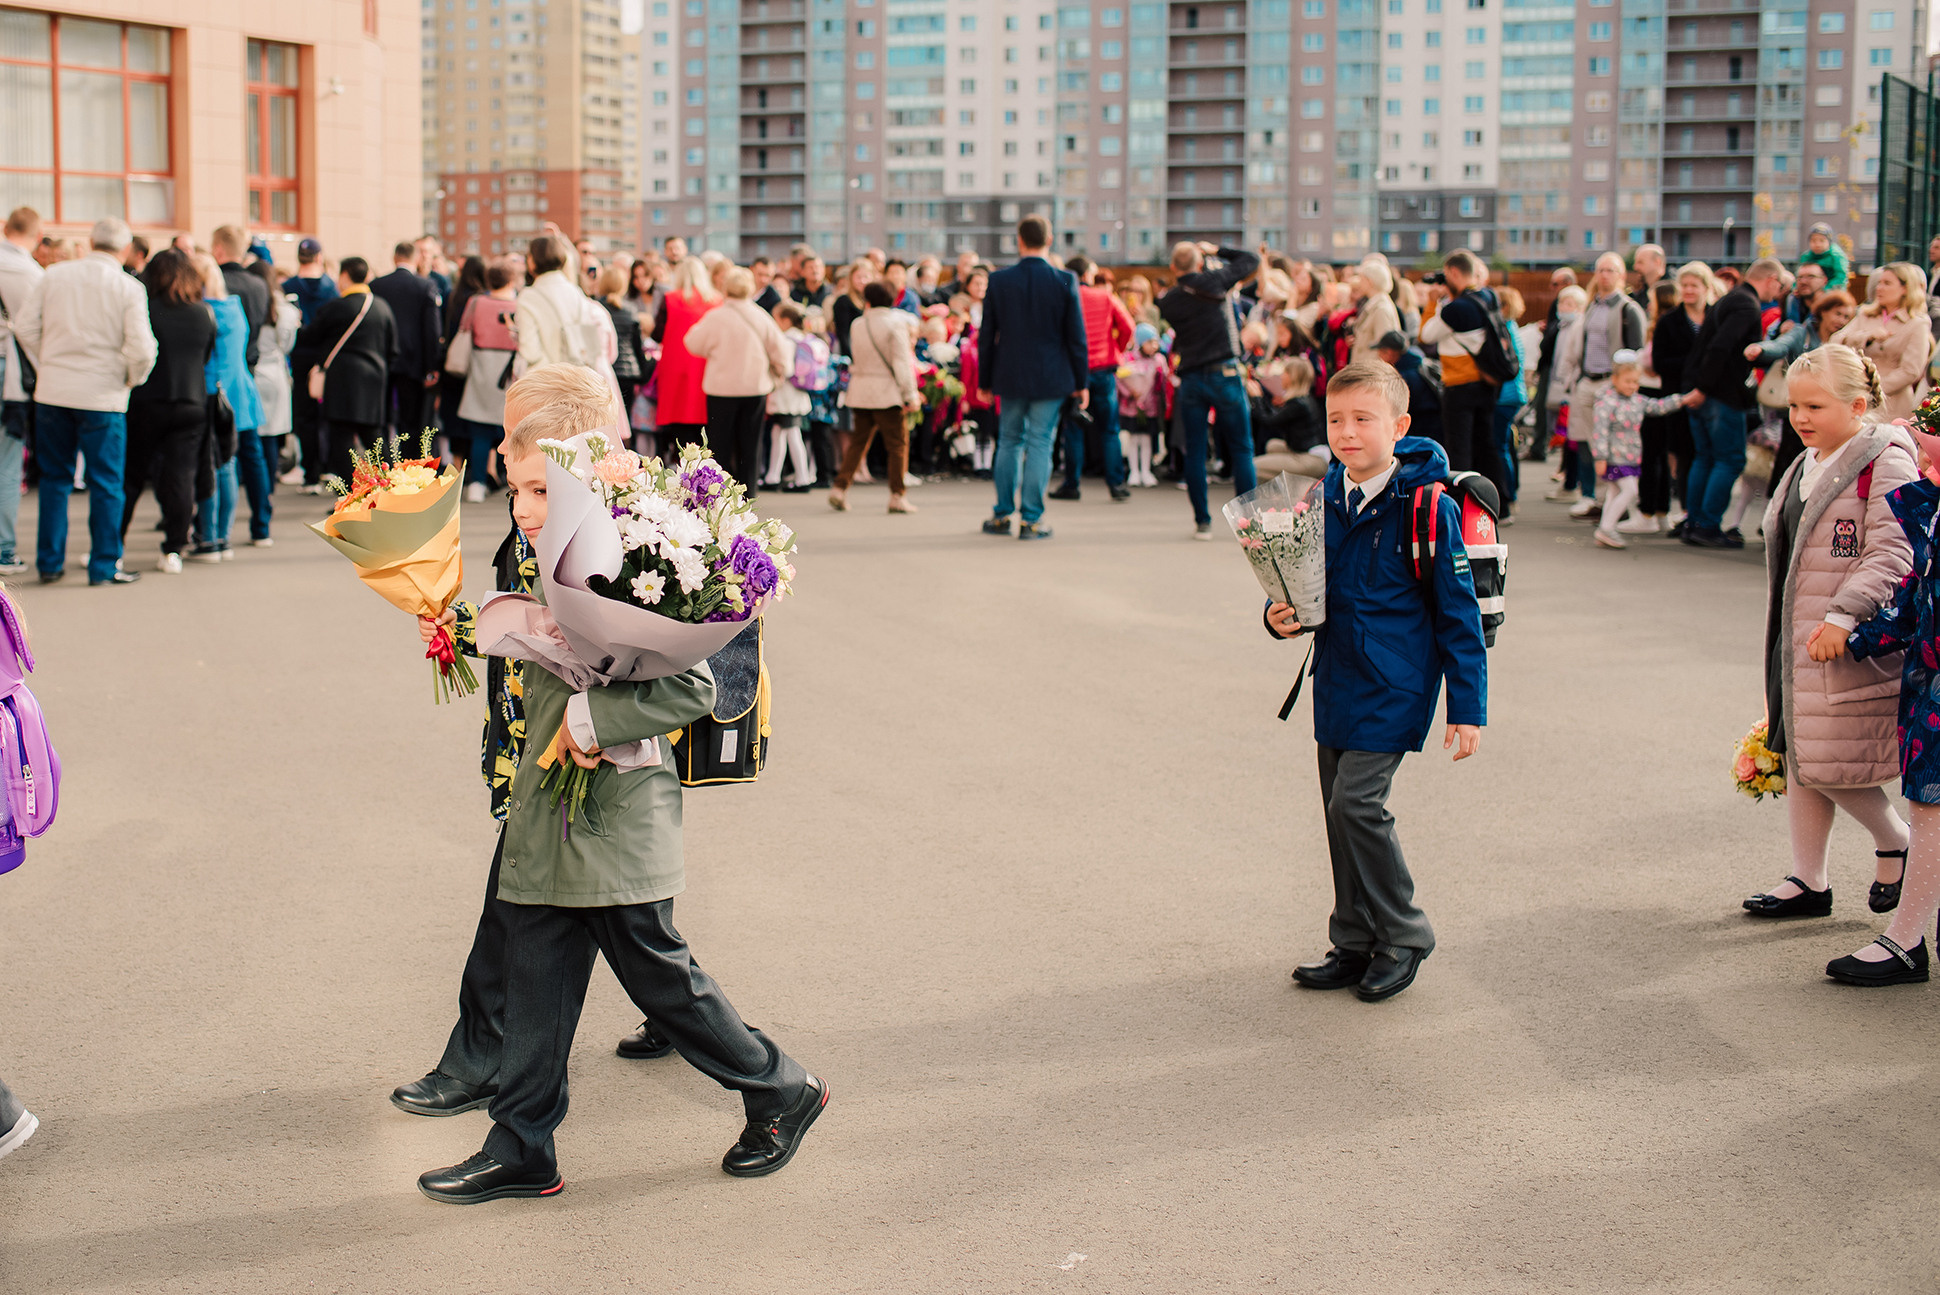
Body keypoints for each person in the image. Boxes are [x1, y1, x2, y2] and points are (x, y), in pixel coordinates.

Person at [413, 365, 825, 1203]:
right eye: (513, 481)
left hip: (613, 807)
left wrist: (592, 724)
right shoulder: (550, 540)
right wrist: (466, 628)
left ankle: (778, 1087)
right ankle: (522, 1142)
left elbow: (698, 680)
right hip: (550, 796)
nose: (520, 502)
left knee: (660, 978)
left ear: (582, 463)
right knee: (534, 967)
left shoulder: (644, 544)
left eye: (535, 484)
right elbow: (544, 643)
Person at [394, 369, 680, 1126]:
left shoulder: (596, 523)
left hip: (576, 750)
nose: (501, 442)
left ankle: (484, 1064)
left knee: (541, 917)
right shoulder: (541, 506)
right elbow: (528, 630)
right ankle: (521, 1083)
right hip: (540, 744)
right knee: (599, 923)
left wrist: (581, 725)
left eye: (516, 425)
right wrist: (456, 631)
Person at [1266, 361, 1488, 1003]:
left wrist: (1466, 708)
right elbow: (1302, 592)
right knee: (1337, 816)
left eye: (1364, 419)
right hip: (1335, 679)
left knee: (1356, 804)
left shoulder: (1427, 507)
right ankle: (1354, 940)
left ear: (1400, 426)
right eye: (1337, 419)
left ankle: (1404, 933)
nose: (1347, 432)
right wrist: (1278, 618)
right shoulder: (1321, 499)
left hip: (1398, 684)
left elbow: (1459, 613)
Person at [1736, 346, 1916, 943]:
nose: (1800, 417)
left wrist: (1843, 615)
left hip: (1844, 639)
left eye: (1815, 405)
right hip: (1798, 637)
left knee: (1831, 759)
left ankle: (1896, 840)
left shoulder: (1884, 458)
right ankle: (1809, 879)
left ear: (1859, 405)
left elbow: (1892, 549)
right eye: (1793, 405)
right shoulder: (1808, 460)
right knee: (1800, 755)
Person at [13, 218, 156, 587]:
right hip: (104, 395)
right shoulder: (128, 287)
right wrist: (130, 378)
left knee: (55, 480)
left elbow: (25, 327)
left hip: (54, 391)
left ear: (91, 241)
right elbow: (142, 349)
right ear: (125, 249)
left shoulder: (54, 276)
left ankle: (49, 563)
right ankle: (104, 566)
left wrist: (45, 364)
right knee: (106, 483)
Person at [977, 216, 1089, 542]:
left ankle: (1001, 515)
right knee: (1041, 442)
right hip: (1052, 375)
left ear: (1019, 240)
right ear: (1049, 239)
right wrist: (1081, 383)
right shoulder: (1064, 279)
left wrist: (984, 381)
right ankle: (1031, 520)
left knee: (1009, 441)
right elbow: (1076, 338)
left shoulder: (998, 281)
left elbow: (987, 336)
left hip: (1009, 374)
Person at [1158, 239, 1261, 540]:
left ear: (1174, 267)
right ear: (1200, 262)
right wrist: (1217, 250)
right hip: (1225, 372)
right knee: (1242, 447)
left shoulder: (1168, 301)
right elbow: (1251, 260)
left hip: (1191, 377)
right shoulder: (1216, 280)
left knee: (1195, 451)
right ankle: (1248, 522)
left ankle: (1202, 521)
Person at [121, 249, 214, 574]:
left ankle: (113, 545)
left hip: (147, 401)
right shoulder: (202, 313)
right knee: (181, 477)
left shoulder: (146, 308)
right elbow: (205, 356)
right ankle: (173, 548)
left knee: (131, 476)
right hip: (191, 401)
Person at [1684, 257, 1786, 548]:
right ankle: (1706, 524)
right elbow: (1721, 347)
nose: (1777, 292)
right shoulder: (1745, 305)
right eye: (1778, 286)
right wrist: (1704, 387)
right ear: (1769, 280)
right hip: (1720, 394)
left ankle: (1695, 522)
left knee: (1705, 457)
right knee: (1729, 459)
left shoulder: (1728, 299)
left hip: (1704, 390)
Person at [680, 265, 794, 499]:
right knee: (750, 446)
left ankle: (718, 497)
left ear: (724, 287)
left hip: (720, 390)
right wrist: (779, 375)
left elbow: (692, 342)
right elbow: (781, 351)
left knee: (719, 446)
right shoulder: (760, 315)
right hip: (755, 389)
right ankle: (748, 496)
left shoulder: (715, 316)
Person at [1555, 253, 1649, 521]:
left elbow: (1636, 352)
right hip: (1587, 381)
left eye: (1610, 270)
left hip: (1612, 382)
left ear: (1621, 276)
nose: (1604, 275)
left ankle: (1614, 500)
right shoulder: (1592, 307)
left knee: (1610, 443)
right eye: (1600, 270)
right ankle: (1589, 496)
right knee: (1584, 440)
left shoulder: (1628, 309)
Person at [1418, 249, 1511, 510]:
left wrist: (1433, 302)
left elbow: (1427, 335)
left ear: (1454, 273)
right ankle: (1500, 503)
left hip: (1459, 385)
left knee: (1459, 447)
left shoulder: (1455, 308)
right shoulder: (1487, 296)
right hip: (1485, 383)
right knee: (1487, 443)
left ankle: (1462, 504)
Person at [296, 256, 397, 486]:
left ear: (344, 276)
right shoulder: (382, 307)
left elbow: (309, 337)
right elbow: (393, 349)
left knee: (341, 441)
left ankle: (349, 493)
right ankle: (387, 488)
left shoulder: (336, 307)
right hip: (374, 382)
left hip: (341, 382)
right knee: (375, 439)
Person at [191, 253, 265, 562]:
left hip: (212, 393)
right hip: (238, 393)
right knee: (229, 465)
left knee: (211, 468)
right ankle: (223, 536)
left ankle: (209, 537)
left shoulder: (204, 312)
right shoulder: (233, 307)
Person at [1748, 289, 1857, 490]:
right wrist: (1761, 349)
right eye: (1837, 313)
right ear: (1823, 312)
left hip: (1831, 414)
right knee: (1792, 466)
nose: (1841, 320)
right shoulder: (1803, 332)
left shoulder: (1847, 340)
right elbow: (1782, 345)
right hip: (1803, 410)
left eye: (1846, 316)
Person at [1586, 351, 1696, 548]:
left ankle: (1605, 527)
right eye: (1627, 381)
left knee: (1614, 493)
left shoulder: (1637, 400)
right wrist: (1600, 457)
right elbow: (1600, 432)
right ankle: (1607, 528)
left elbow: (1657, 406)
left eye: (1635, 382)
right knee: (1630, 490)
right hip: (1614, 457)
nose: (1632, 386)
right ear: (1615, 379)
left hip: (1629, 456)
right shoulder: (1607, 402)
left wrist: (1681, 400)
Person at [830, 280, 921, 514]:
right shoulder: (896, 324)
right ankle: (897, 495)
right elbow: (901, 362)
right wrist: (910, 394)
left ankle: (840, 488)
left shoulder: (858, 324)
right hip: (887, 393)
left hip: (860, 390)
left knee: (858, 442)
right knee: (898, 445)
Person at [1052, 255, 1134, 503]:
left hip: (1075, 372)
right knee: (1110, 430)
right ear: (1087, 274)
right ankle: (1116, 485)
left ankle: (1072, 484)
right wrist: (1115, 350)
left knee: (1074, 430)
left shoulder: (1064, 297)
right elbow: (1128, 327)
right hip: (1104, 370)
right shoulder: (1105, 296)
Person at [449, 261, 522, 500]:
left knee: (479, 433)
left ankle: (477, 484)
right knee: (513, 432)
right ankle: (515, 483)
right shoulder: (519, 305)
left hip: (481, 369)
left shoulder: (477, 302)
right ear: (511, 281)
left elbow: (464, 329)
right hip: (511, 373)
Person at [1829, 262, 1932, 422]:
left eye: (1887, 283)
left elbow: (1911, 371)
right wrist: (1867, 336)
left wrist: (1872, 390)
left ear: (1905, 288)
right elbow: (1834, 342)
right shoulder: (1866, 314)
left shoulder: (1918, 323)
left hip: (1891, 406)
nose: (1879, 288)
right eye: (1879, 283)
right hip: (1852, 399)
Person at [0, 207, 44, 575]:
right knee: (7, 462)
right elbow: (36, 330)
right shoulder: (31, 274)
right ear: (36, 233)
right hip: (9, 372)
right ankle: (3, 550)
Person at [371, 242, 445, 447]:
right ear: (417, 259)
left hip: (382, 357)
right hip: (414, 360)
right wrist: (433, 366)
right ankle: (407, 464)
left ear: (395, 258)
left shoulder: (377, 285)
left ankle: (383, 459)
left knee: (382, 416)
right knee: (410, 419)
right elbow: (432, 329)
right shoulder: (425, 285)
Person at [648, 256, 719, 451]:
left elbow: (657, 334)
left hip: (676, 370)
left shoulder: (671, 299)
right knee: (706, 432)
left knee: (681, 434)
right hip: (706, 370)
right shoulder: (715, 301)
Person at [246, 259, 296, 526]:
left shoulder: (248, 303)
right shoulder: (284, 309)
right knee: (272, 437)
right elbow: (287, 345)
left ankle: (259, 490)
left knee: (254, 438)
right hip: (275, 374)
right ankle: (268, 490)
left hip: (253, 372)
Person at [763, 300, 817, 492]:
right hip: (796, 395)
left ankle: (801, 478)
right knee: (781, 433)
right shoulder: (803, 338)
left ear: (785, 320)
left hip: (786, 395)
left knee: (791, 434)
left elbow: (785, 368)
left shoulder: (786, 340)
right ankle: (774, 475)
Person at [595, 265, 647, 442]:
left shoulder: (597, 307)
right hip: (628, 372)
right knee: (625, 422)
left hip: (605, 370)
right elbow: (636, 344)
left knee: (604, 421)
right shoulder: (630, 309)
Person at [1117, 323, 1173, 488]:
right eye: (1149, 342)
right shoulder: (1129, 359)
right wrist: (1130, 393)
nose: (1154, 346)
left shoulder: (1159, 360)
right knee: (1134, 439)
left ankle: (1146, 470)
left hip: (1151, 407)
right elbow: (1120, 379)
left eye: (1155, 342)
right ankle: (1134, 471)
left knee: (1148, 439)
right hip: (1132, 407)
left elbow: (1163, 384)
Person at [210, 225, 269, 372]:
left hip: (221, 368)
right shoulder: (259, 285)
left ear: (218, 249)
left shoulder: (216, 284)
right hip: (251, 365)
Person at [1373, 329, 1440, 447]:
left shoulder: (1405, 377)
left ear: (1389, 353)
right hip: (1431, 422)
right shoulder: (1416, 363)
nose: (1379, 356)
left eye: (1380, 352)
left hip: (1423, 426)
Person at [1798, 223, 1852, 291]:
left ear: (1829, 242)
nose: (1817, 244)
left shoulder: (1837, 256)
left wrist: (1825, 289)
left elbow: (1841, 277)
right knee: (1793, 297)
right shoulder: (1806, 256)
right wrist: (1796, 288)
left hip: (1833, 290)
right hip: (1811, 290)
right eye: (1813, 241)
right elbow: (1799, 276)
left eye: (1822, 241)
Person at [1630, 243, 1668, 313]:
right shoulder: (1639, 296)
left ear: (1657, 262)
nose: (1635, 267)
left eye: (1640, 262)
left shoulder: (1675, 290)